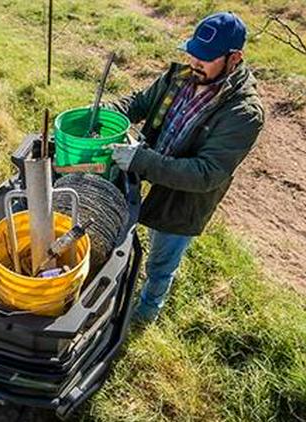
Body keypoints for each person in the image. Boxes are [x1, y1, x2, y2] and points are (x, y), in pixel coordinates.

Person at [106, 12, 265, 323]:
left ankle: (147, 311)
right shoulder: (181, 76)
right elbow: (139, 102)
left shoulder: (244, 113)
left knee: (161, 261)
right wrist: (107, 112)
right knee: (118, 233)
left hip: (185, 197)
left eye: (206, 58)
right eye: (193, 53)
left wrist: (142, 161)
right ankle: (115, 286)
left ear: (235, 58)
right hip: (145, 167)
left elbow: (206, 173)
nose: (195, 63)